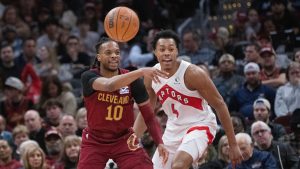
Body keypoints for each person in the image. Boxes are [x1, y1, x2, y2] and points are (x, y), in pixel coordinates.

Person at [133, 29, 243, 169]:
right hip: (173, 129)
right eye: (162, 49)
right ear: (155, 52)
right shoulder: (151, 76)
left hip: (200, 124)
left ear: (177, 51)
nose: (167, 52)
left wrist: (233, 144)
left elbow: (220, 105)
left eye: (171, 49)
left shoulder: (193, 73)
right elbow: (146, 113)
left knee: (179, 165)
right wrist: (132, 139)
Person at [77, 37, 169, 169]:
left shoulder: (133, 81)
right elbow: (109, 85)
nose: (114, 56)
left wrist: (160, 142)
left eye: (117, 52)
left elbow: (148, 116)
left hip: (124, 139)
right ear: (99, 57)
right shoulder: (88, 77)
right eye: (108, 53)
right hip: (95, 140)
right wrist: (141, 71)